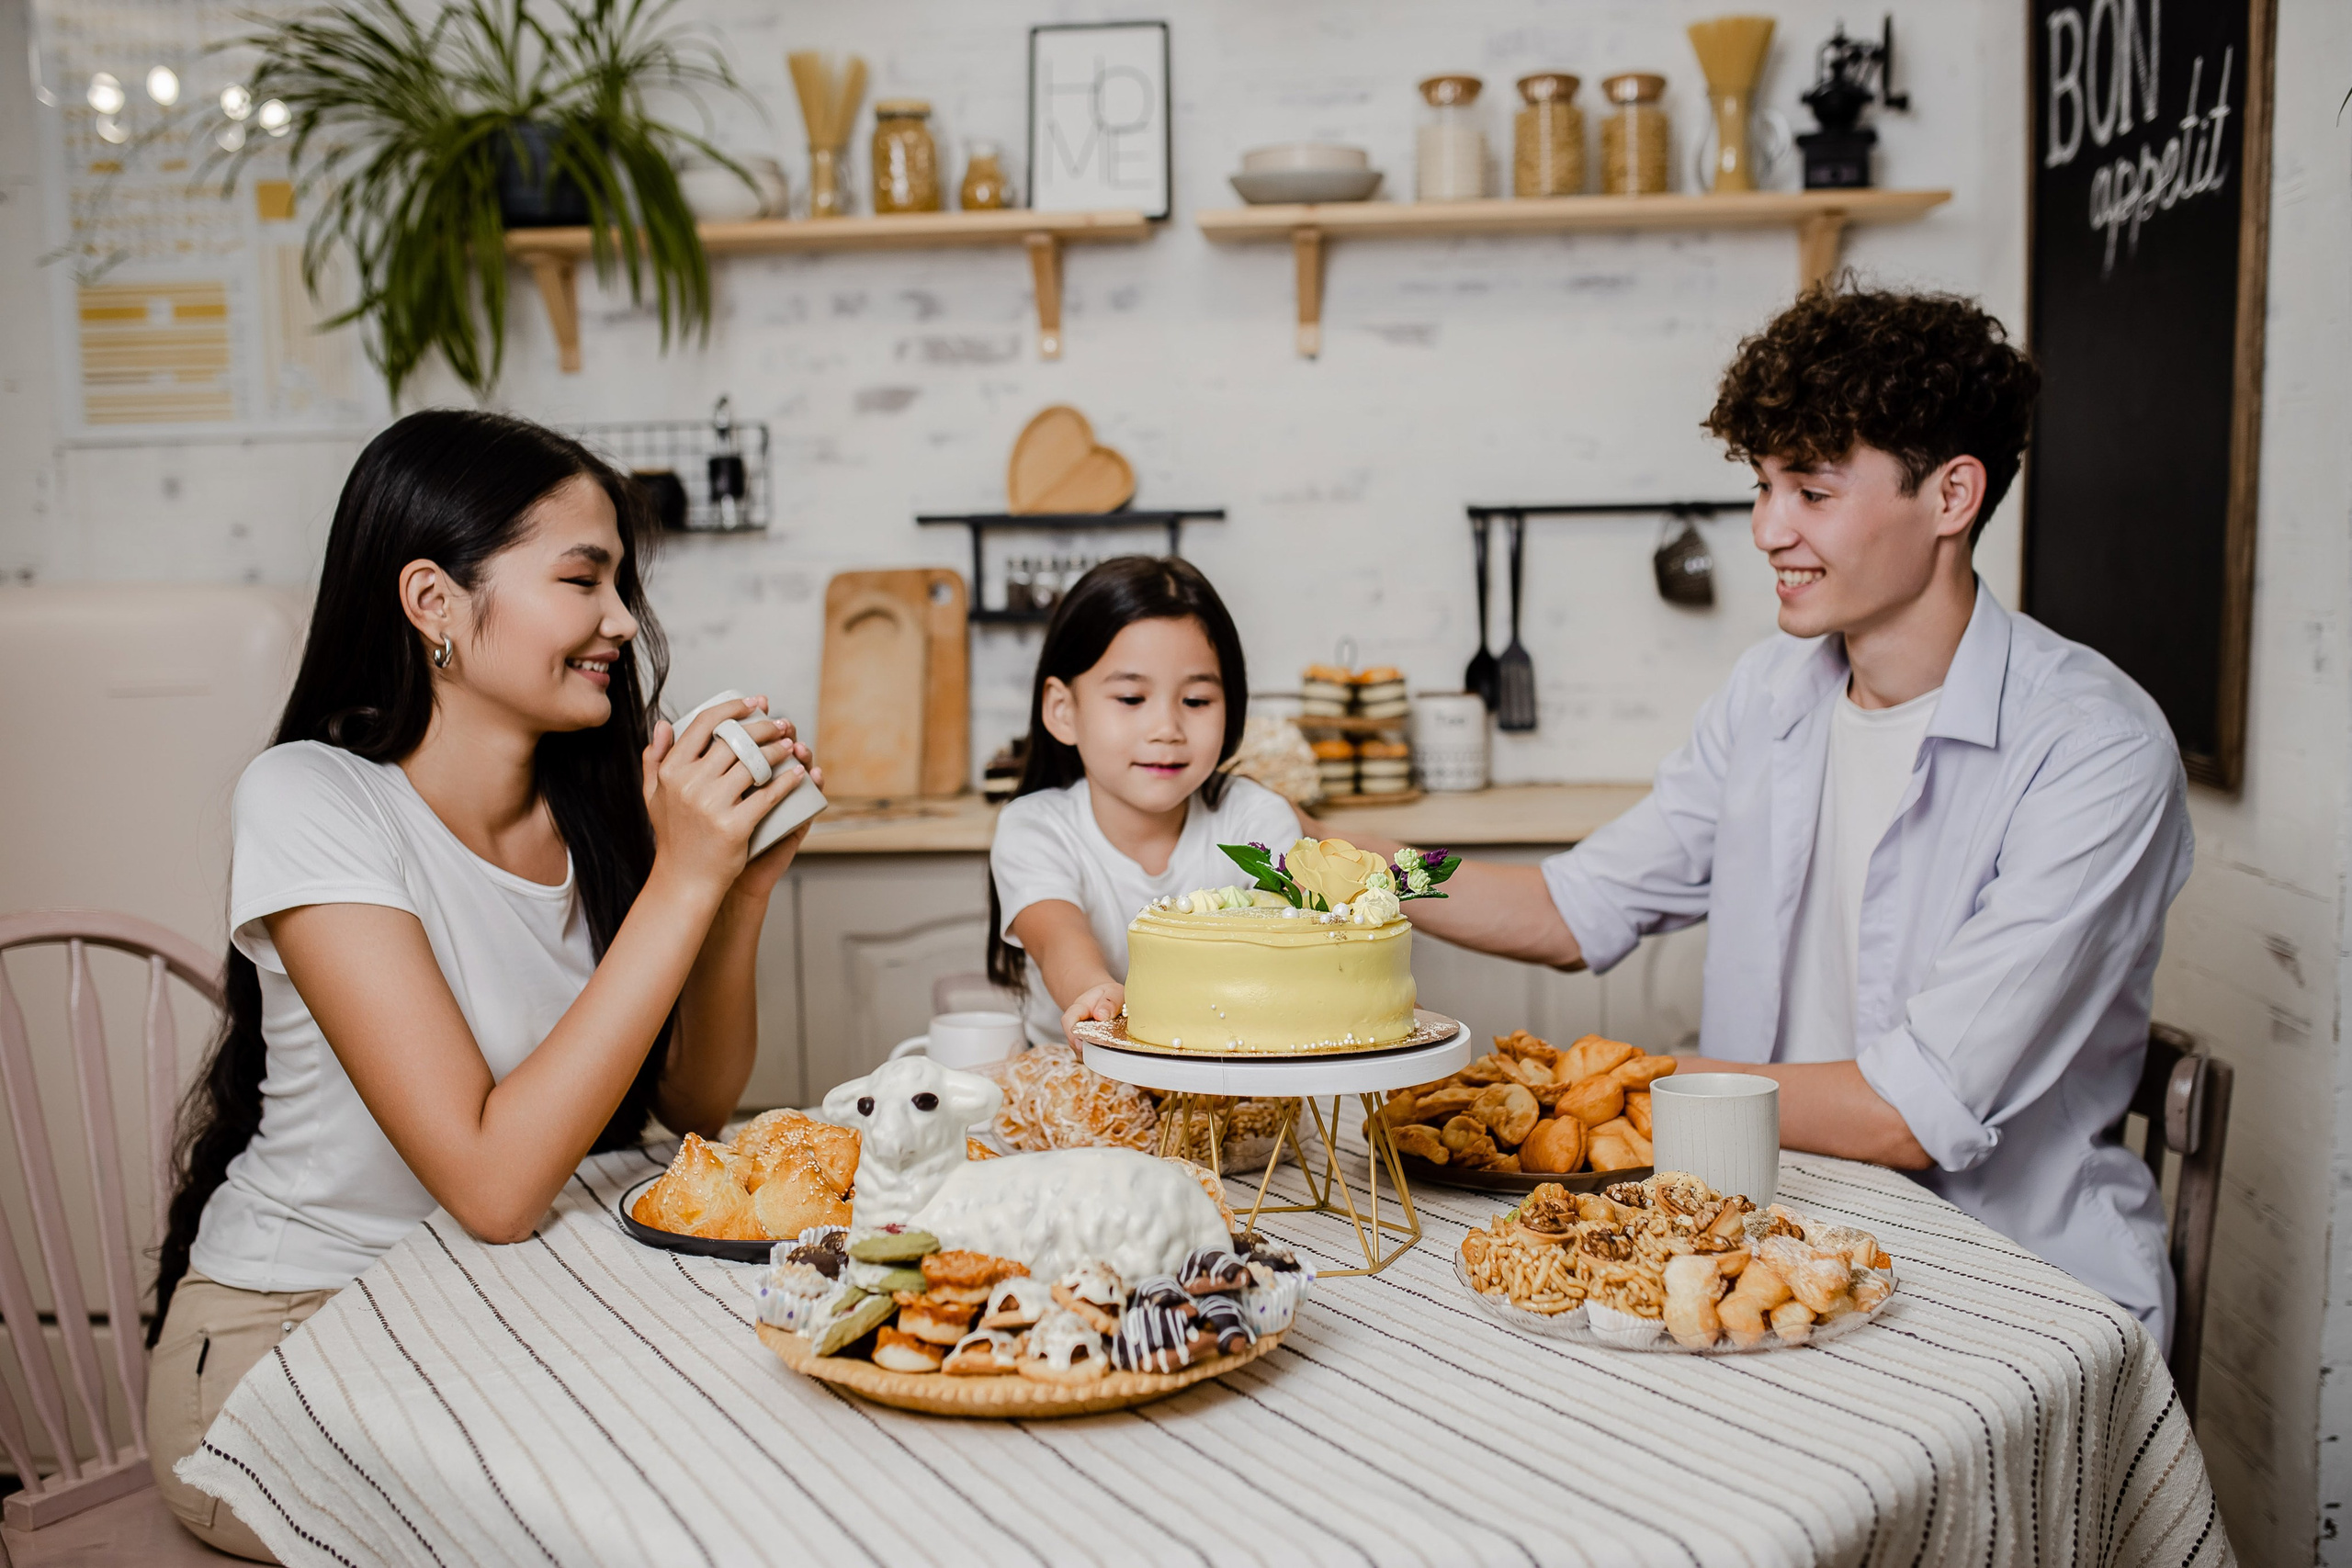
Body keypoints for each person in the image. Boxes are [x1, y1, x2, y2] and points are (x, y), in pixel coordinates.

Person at [1370, 286, 2193, 1342]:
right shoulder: (1770, 693)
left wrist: (1610, 1085)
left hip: (2009, 1293)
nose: (1765, 530)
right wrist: (1365, 866)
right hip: (1758, 1248)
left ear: (1950, 496)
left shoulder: (2094, 749)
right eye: (1763, 488)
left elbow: (1905, 1112)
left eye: (1809, 491)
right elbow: (1566, 906)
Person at [146, 410, 820, 1559]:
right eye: (582, 578)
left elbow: (697, 1104)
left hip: (496, 1314)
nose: (621, 622)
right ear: (434, 603)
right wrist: (681, 884)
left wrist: (734, 891)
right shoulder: (313, 801)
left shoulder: (594, 809)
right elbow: (495, 1184)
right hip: (292, 1351)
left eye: (620, 582)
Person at [987, 557, 1304, 1048]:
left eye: (1196, 701)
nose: (1167, 731)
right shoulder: (1034, 827)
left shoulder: (1256, 821)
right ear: (1062, 710)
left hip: (1231, 1079)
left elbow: (1295, 948)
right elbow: (1059, 941)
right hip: (1082, 1085)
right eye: (1132, 699)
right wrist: (1095, 996)